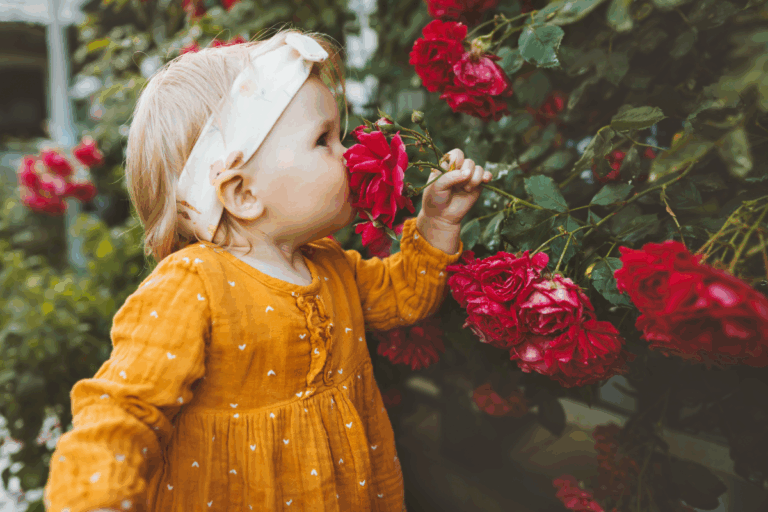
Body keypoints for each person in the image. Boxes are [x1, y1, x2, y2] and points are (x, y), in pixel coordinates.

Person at [43, 28, 491, 512]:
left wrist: (438, 222)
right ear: (242, 193)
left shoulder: (329, 264)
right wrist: (95, 499)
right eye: (323, 139)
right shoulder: (192, 286)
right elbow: (123, 409)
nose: (348, 153)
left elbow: (405, 294)